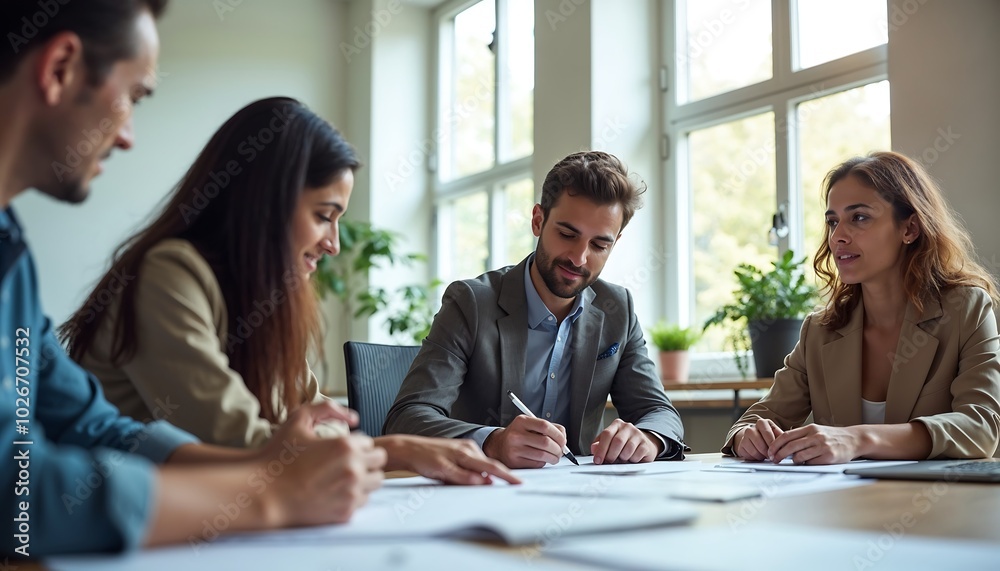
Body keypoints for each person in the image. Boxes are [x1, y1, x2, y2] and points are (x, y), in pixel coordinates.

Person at [59, 96, 519, 488]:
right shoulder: (169, 273)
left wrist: (382, 452)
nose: (334, 244)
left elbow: (311, 421)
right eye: (324, 215)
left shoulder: (269, 301)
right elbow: (234, 434)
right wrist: (393, 451)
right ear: (265, 204)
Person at [384, 151, 686, 469]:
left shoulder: (617, 310)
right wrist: (492, 441)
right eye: (567, 235)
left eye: (599, 245)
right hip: (481, 489)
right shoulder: (471, 303)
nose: (579, 258)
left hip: (581, 497)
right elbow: (407, 419)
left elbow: (660, 412)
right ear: (538, 220)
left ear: (615, 243)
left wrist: (649, 438)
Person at [725, 151, 1000, 465]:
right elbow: (754, 420)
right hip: (843, 507)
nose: (838, 236)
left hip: (936, 506)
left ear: (909, 228)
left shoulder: (966, 309)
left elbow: (981, 428)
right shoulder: (820, 330)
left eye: (859, 217)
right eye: (832, 221)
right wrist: (747, 437)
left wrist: (857, 439)